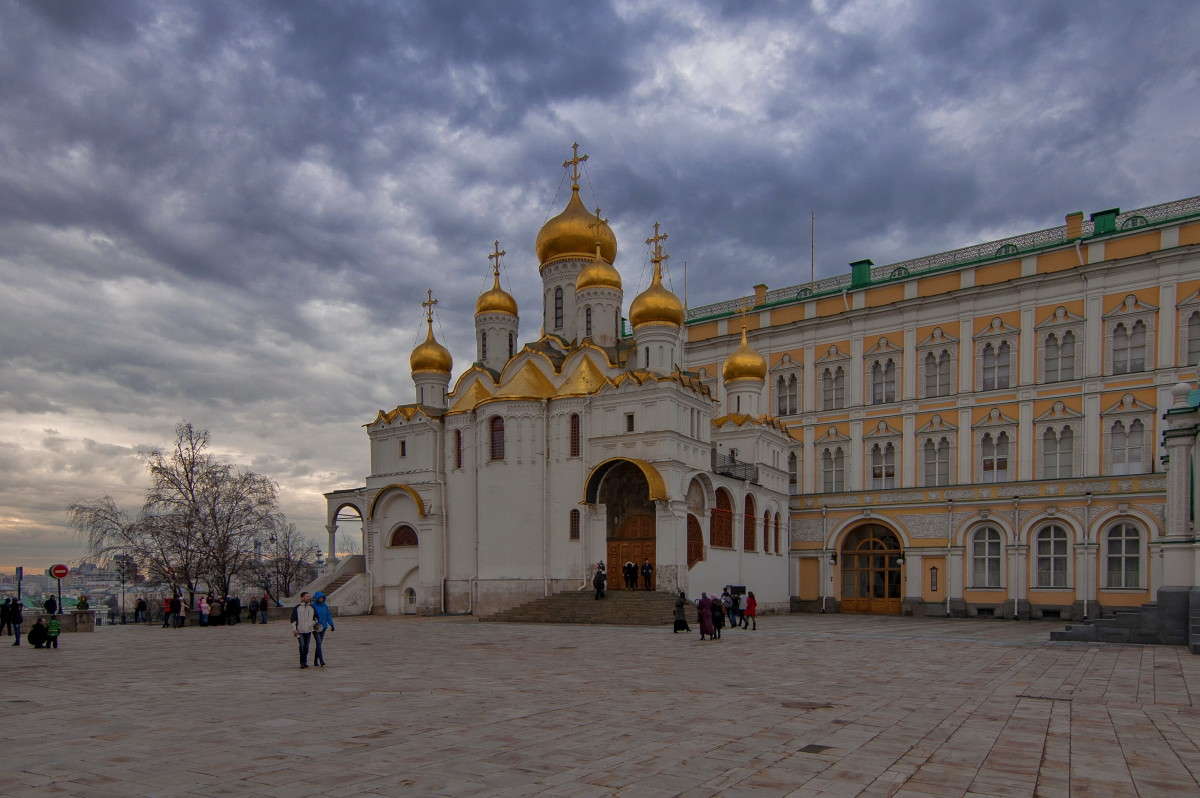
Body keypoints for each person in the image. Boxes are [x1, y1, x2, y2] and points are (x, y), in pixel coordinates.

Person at [290, 592, 316, 669]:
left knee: (306, 647)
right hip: (299, 631)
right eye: (307, 596)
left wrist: (312, 623)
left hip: (308, 630)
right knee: (302, 646)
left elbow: (316, 618)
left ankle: (305, 662)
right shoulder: (297, 608)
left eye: (309, 596)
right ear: (302, 598)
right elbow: (293, 619)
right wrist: (294, 629)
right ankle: (302, 662)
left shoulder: (312, 607)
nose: (309, 598)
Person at [312, 591, 335, 668]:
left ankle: (315, 660)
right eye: (320, 598)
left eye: (322, 598)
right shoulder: (313, 606)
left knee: (319, 644)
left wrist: (331, 624)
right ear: (317, 598)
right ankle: (321, 660)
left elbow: (328, 615)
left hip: (324, 627)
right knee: (318, 643)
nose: (321, 599)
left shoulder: (325, 606)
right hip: (316, 628)